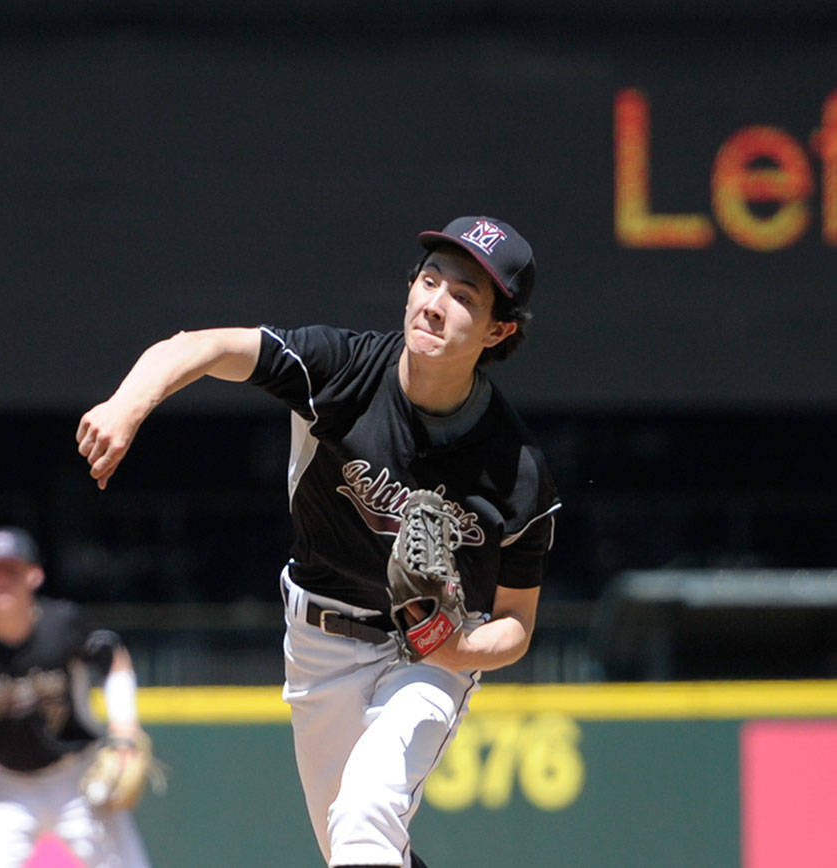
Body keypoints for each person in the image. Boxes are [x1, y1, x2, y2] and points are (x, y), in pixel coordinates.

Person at [76, 216, 560, 868]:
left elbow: (517, 625)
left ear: (499, 330)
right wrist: (127, 405)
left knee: (366, 815)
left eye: (464, 297)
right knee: (354, 848)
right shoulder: (343, 371)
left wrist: (457, 646)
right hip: (320, 644)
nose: (434, 303)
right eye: (429, 279)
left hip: (428, 661)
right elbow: (205, 346)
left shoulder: (517, 470)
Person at [0, 525, 153, 868]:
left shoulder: (62, 624)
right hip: (11, 788)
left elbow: (115, 660)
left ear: (34, 575)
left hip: (79, 781)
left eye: (13, 570)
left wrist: (124, 728)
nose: (3, 579)